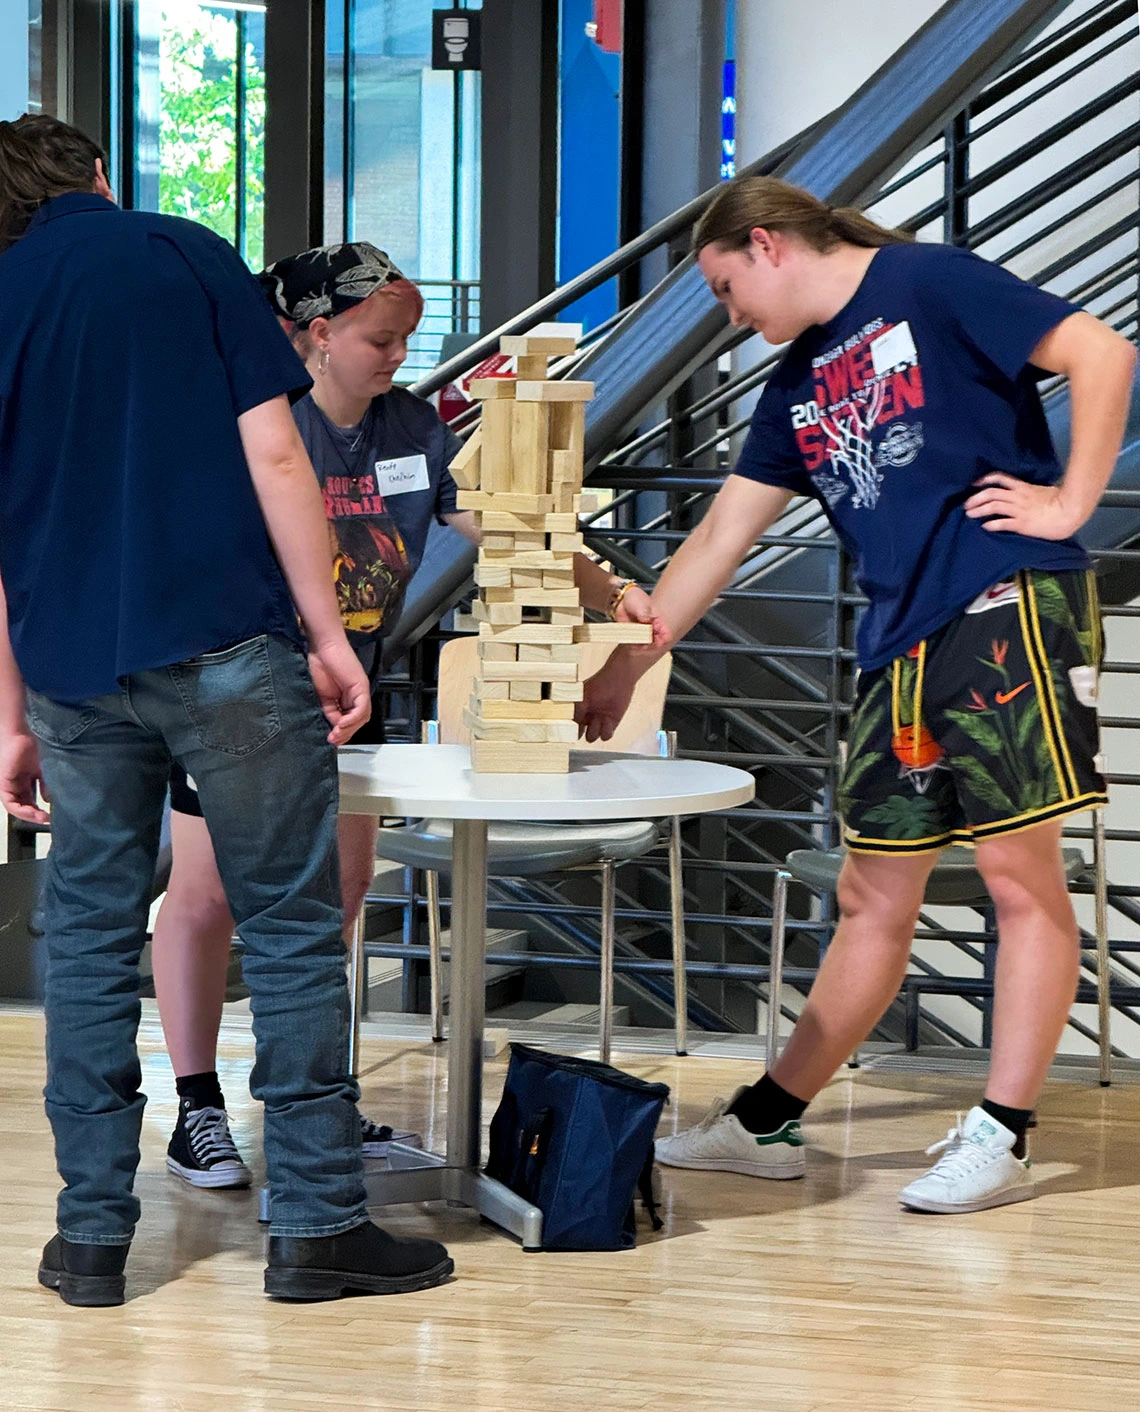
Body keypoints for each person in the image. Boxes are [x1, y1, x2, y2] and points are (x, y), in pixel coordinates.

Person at [577, 174, 1136, 1214]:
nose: (731, 318)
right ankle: (768, 1119)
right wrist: (627, 663)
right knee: (873, 891)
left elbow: (1104, 353)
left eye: (726, 289)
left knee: (1021, 879)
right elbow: (716, 541)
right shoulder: (793, 386)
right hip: (900, 641)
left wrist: (1071, 505)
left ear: (766, 244)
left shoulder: (929, 281)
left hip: (1003, 600)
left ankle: (1003, 1133)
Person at [0, 114, 453, 1304]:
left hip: (72, 674)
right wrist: (324, 630)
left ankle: (90, 1238)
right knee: (294, 927)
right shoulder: (186, 251)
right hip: (226, 647)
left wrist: (8, 711)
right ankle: (313, 1227)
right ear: (97, 173)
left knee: (91, 941)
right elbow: (275, 454)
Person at [153, 240, 663, 1187]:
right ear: (315, 333)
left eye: (404, 339)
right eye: (379, 338)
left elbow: (504, 524)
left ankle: (315, 1099)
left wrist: (609, 591)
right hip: (235, 687)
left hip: (354, 697)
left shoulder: (413, 431)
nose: (398, 355)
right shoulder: (260, 423)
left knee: (337, 904)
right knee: (207, 896)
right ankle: (195, 1108)